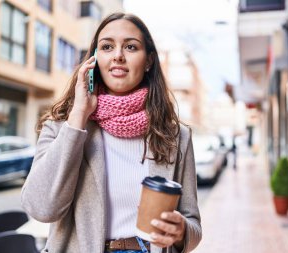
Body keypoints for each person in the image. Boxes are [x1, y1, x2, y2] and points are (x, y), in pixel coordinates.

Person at [21, 12, 201, 253]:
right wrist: (78, 117)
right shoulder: (62, 127)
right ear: (94, 59)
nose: (118, 56)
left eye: (130, 46)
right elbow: (42, 208)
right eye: (107, 47)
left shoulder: (176, 136)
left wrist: (181, 232)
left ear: (148, 61)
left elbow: (193, 226)